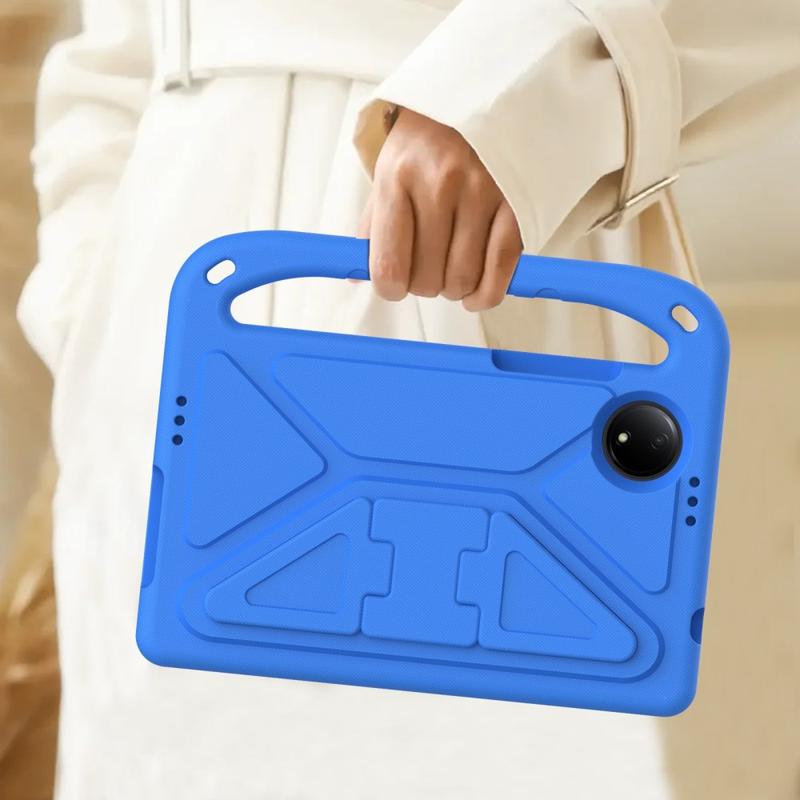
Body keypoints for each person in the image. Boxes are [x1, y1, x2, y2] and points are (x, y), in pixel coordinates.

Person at [16, 0, 800, 797]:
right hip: (167, 336)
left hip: (475, 262)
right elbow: (110, 57)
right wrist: (90, 299)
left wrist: (510, 92)